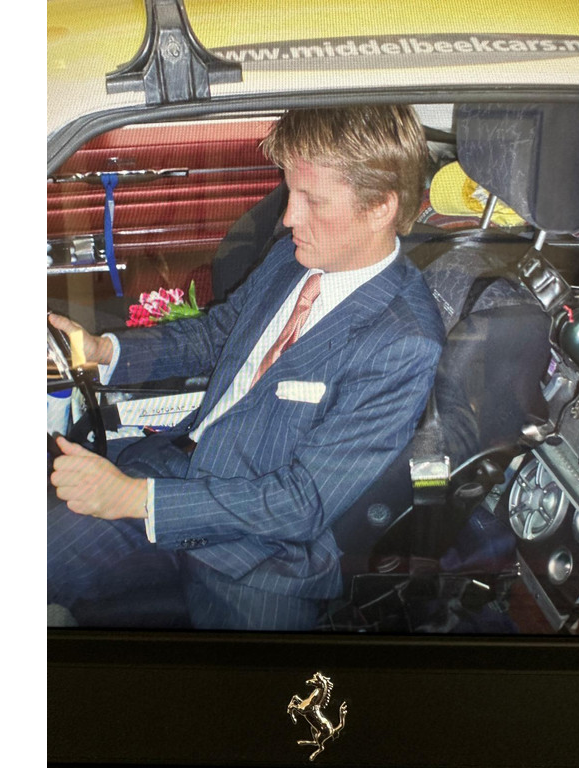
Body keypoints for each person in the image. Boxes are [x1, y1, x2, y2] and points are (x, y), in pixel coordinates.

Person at [47, 105, 445, 630]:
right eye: (289, 191)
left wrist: (135, 498)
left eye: (312, 199)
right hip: (173, 470)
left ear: (380, 207)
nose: (289, 217)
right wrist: (103, 350)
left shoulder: (403, 341)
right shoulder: (293, 258)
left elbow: (303, 502)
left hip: (261, 556)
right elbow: (218, 334)